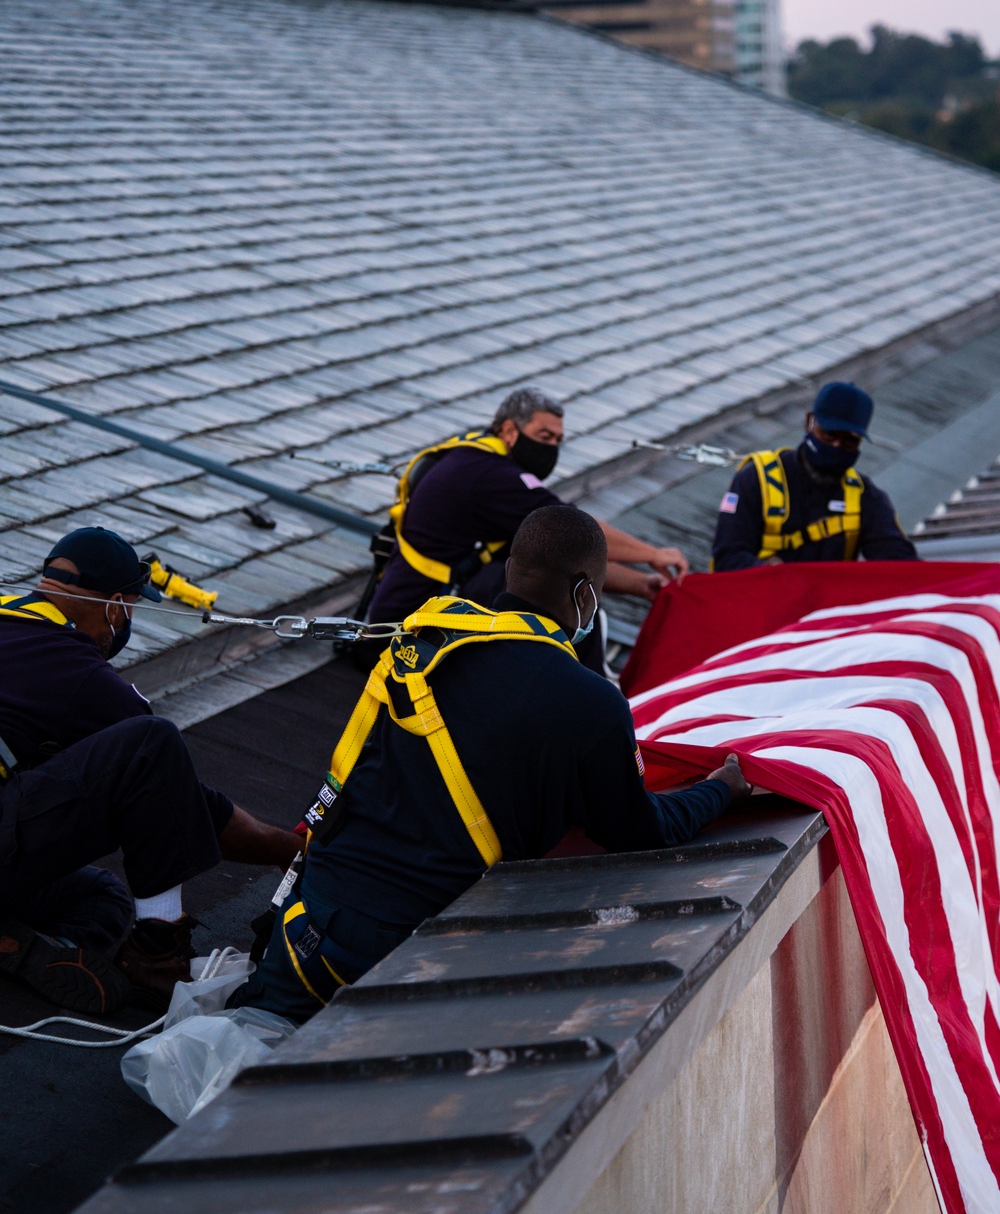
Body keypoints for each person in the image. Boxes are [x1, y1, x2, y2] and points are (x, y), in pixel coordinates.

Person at [233, 505, 751, 1023]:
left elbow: (346, 772)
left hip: (306, 922)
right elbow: (639, 830)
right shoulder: (589, 702)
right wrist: (721, 789)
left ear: (510, 569)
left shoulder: (423, 641)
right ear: (585, 593)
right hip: (403, 950)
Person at [0, 527, 302, 1015]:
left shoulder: (14, 624)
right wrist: (287, 850)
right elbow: (171, 791)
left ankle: (14, 940)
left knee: (101, 901)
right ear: (116, 605)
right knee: (152, 742)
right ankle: (157, 957)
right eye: (132, 611)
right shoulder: (72, 666)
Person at [365, 387, 690, 634]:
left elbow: (559, 557)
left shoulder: (474, 455)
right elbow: (570, 533)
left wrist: (640, 584)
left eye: (558, 440)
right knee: (557, 602)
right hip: (408, 633)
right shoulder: (489, 476)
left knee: (539, 566)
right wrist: (652, 553)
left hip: (409, 616)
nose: (550, 449)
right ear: (509, 431)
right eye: (543, 436)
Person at [711, 381, 917, 571]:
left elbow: (900, 565)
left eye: (849, 441)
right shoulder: (758, 479)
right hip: (761, 601)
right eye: (830, 434)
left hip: (824, 608)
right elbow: (727, 557)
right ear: (810, 422)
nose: (836, 446)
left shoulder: (864, 497)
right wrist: (770, 572)